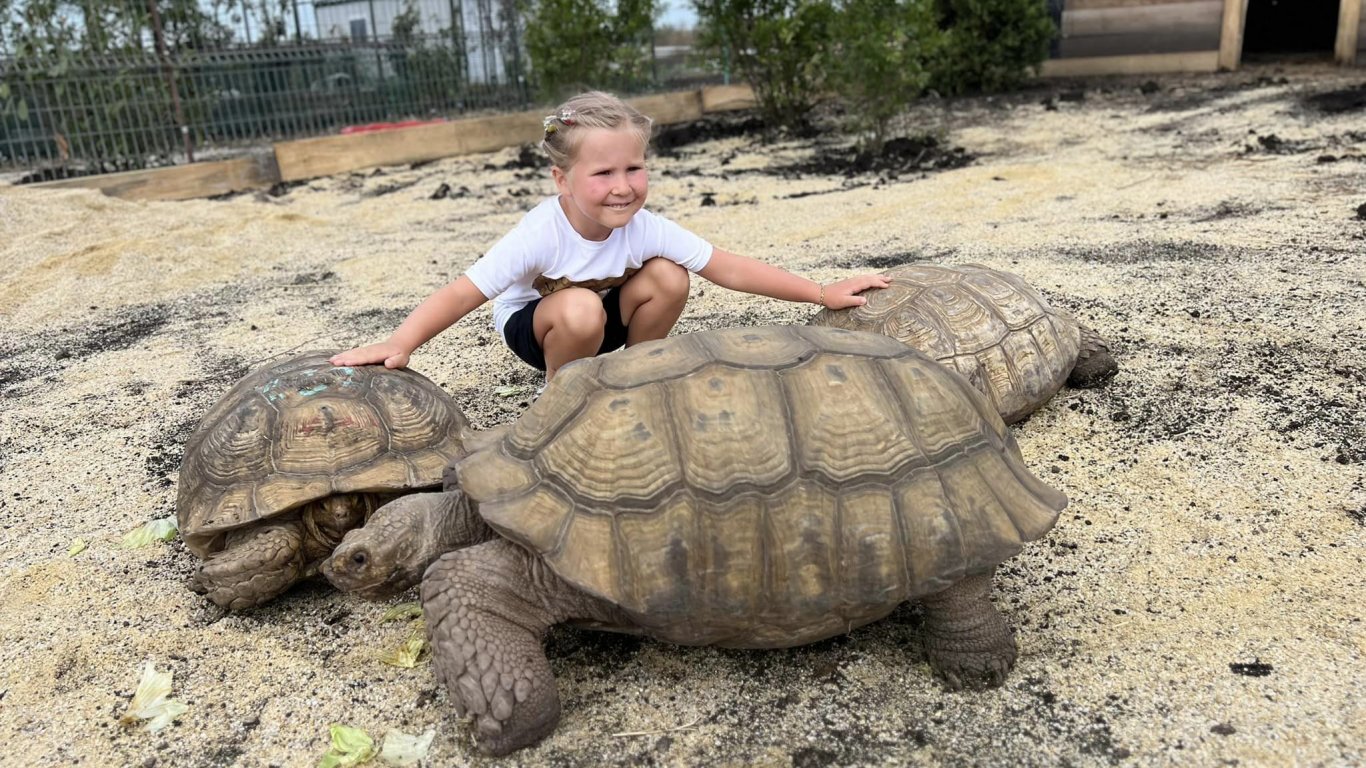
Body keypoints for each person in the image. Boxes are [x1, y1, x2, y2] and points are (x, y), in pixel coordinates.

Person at [330, 91, 889, 380]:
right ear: (562, 180)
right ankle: (565, 396)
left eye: (634, 169)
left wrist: (820, 292)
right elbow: (462, 293)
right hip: (545, 330)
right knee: (577, 309)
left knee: (670, 275)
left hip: (607, 319)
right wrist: (401, 342)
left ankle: (636, 375)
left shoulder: (645, 228)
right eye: (602, 173)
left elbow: (728, 267)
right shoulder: (538, 234)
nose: (623, 187)